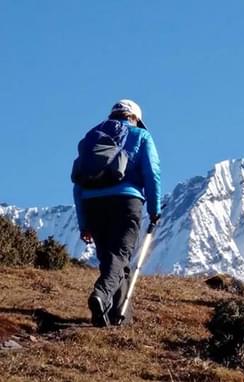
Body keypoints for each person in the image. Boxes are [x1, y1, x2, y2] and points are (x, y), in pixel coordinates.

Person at [73, 99, 161, 327]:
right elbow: (152, 174)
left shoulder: (93, 138)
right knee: (120, 255)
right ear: (136, 119)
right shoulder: (141, 136)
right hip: (126, 201)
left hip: (93, 203)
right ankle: (100, 295)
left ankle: (115, 318)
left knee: (111, 260)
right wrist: (154, 209)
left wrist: (84, 223)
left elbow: (78, 183)